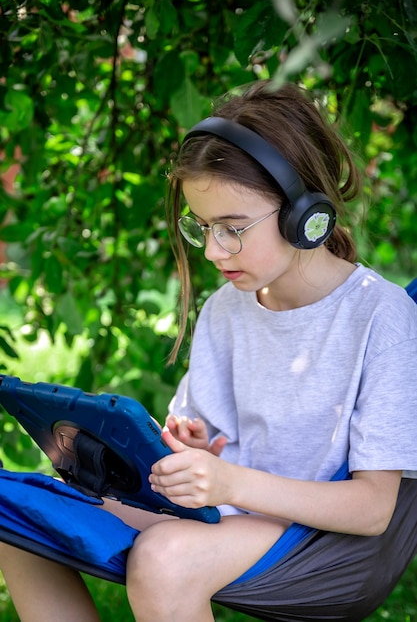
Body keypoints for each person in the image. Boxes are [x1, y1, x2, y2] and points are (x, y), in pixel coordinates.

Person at [1, 80, 417, 622]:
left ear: (305, 215)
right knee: (25, 516)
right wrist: (198, 447)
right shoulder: (228, 307)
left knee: (165, 558)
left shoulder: (381, 316)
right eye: (203, 229)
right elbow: (210, 440)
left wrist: (229, 481)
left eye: (233, 229)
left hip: (325, 545)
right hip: (232, 513)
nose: (215, 251)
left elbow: (373, 509)